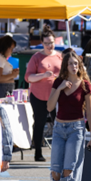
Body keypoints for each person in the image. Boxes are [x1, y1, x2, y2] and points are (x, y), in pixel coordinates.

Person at [44, 53, 91, 181]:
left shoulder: (86, 85)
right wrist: (59, 89)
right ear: (65, 66)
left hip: (77, 129)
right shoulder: (58, 83)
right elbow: (50, 106)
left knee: (69, 171)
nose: (74, 66)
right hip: (59, 129)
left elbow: (90, 113)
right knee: (56, 173)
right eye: (71, 64)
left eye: (77, 64)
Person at [25, 27, 63, 162]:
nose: (49, 45)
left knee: (58, 123)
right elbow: (28, 77)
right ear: (42, 43)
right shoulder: (36, 57)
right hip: (38, 95)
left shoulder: (59, 56)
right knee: (39, 123)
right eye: (46, 43)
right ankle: (38, 152)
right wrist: (43, 75)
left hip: (56, 96)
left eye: (51, 42)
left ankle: (60, 151)